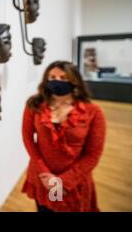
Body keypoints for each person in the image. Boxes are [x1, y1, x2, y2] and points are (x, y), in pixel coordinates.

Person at [22, 60, 106, 212]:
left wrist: (62, 181)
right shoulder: (34, 104)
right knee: (46, 209)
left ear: (74, 81)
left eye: (63, 78)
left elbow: (93, 154)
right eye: (52, 77)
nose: (57, 81)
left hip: (73, 181)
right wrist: (45, 173)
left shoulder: (93, 112)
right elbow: (28, 139)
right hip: (43, 178)